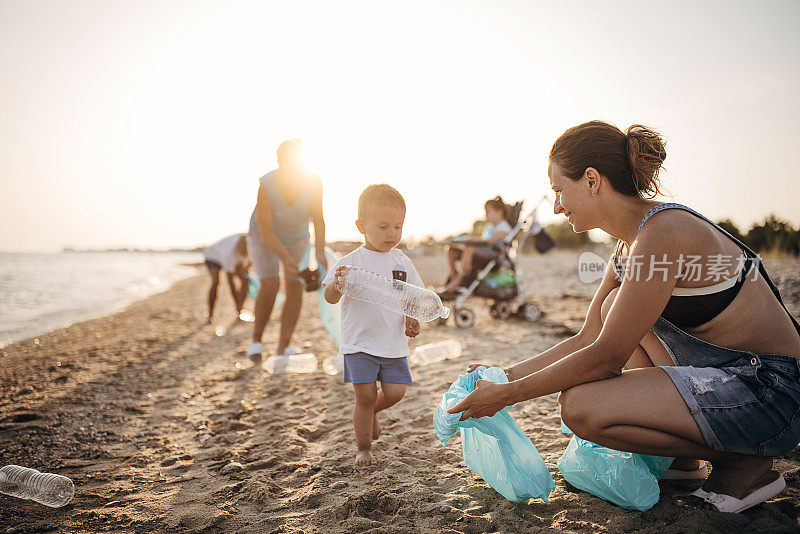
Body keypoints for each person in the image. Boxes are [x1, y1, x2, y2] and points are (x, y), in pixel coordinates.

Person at [449, 121, 800, 513]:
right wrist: (504, 374)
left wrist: (508, 397)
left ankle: (741, 463)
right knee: (610, 304)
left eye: (559, 190)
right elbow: (589, 338)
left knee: (582, 408)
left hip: (772, 391)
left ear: (593, 180)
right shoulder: (629, 245)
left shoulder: (664, 232)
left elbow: (606, 357)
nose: (556, 206)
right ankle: (686, 461)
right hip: (729, 374)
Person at [322, 184, 422, 466]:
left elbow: (414, 296)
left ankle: (371, 412)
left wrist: (411, 318)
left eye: (398, 226)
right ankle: (363, 448)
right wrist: (338, 285)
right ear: (361, 226)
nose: (392, 234)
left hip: (392, 342)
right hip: (359, 342)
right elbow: (329, 297)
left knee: (395, 392)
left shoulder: (402, 261)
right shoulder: (350, 262)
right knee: (364, 397)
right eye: (383, 226)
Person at [246, 139, 327, 362]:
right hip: (263, 236)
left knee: (294, 284)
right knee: (270, 282)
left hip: (297, 236)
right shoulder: (267, 184)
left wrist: (319, 253)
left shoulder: (313, 181)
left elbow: (318, 220)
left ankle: (283, 346)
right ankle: (256, 340)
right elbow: (266, 229)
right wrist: (284, 258)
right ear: (279, 161)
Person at [440, 196, 513, 294]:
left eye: (488, 212)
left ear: (499, 212)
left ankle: (458, 283)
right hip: (483, 254)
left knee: (470, 248)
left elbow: (490, 242)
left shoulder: (504, 227)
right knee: (451, 250)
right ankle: (454, 278)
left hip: (494, 258)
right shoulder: (490, 227)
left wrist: (470, 241)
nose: (486, 215)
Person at [203, 233, 250, 323]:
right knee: (216, 281)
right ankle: (210, 314)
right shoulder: (229, 253)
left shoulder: (248, 242)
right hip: (213, 258)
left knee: (245, 279)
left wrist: (246, 268)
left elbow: (249, 262)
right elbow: (231, 283)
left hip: (233, 256)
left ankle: (240, 309)